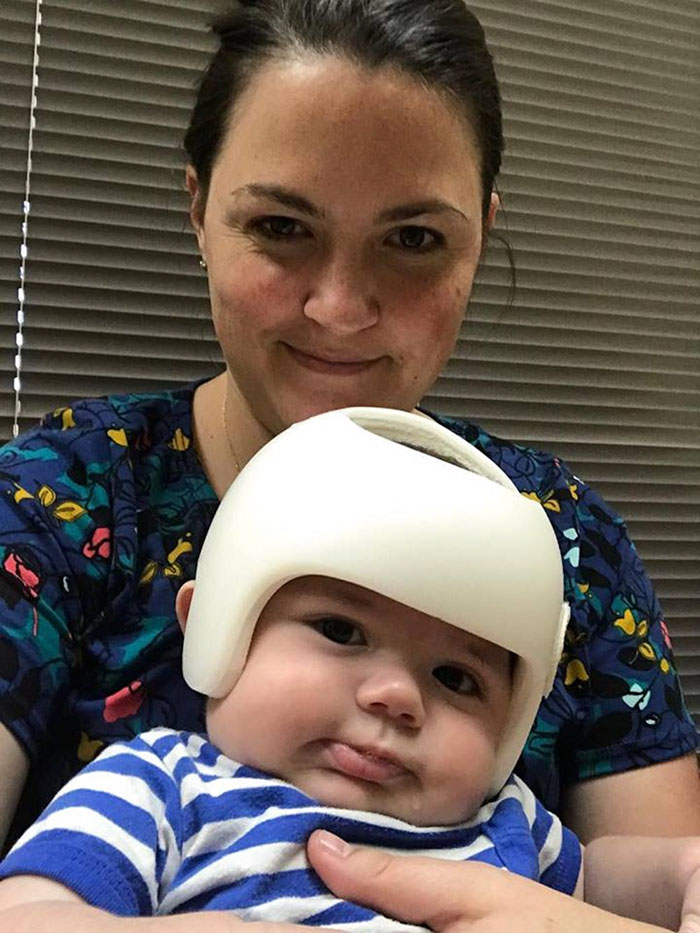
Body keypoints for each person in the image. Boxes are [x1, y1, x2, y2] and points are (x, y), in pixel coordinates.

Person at [0, 0, 697, 872]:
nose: (339, 309)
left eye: (413, 238)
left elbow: (659, 877)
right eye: (281, 228)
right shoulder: (55, 507)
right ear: (198, 210)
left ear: (479, 234)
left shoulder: (565, 546)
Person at [0, 408, 697, 933]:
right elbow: (28, 908)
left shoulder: (507, 819)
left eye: (457, 678)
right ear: (214, 623)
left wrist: (681, 872)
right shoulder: (160, 788)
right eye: (340, 630)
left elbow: (601, 881)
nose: (397, 696)